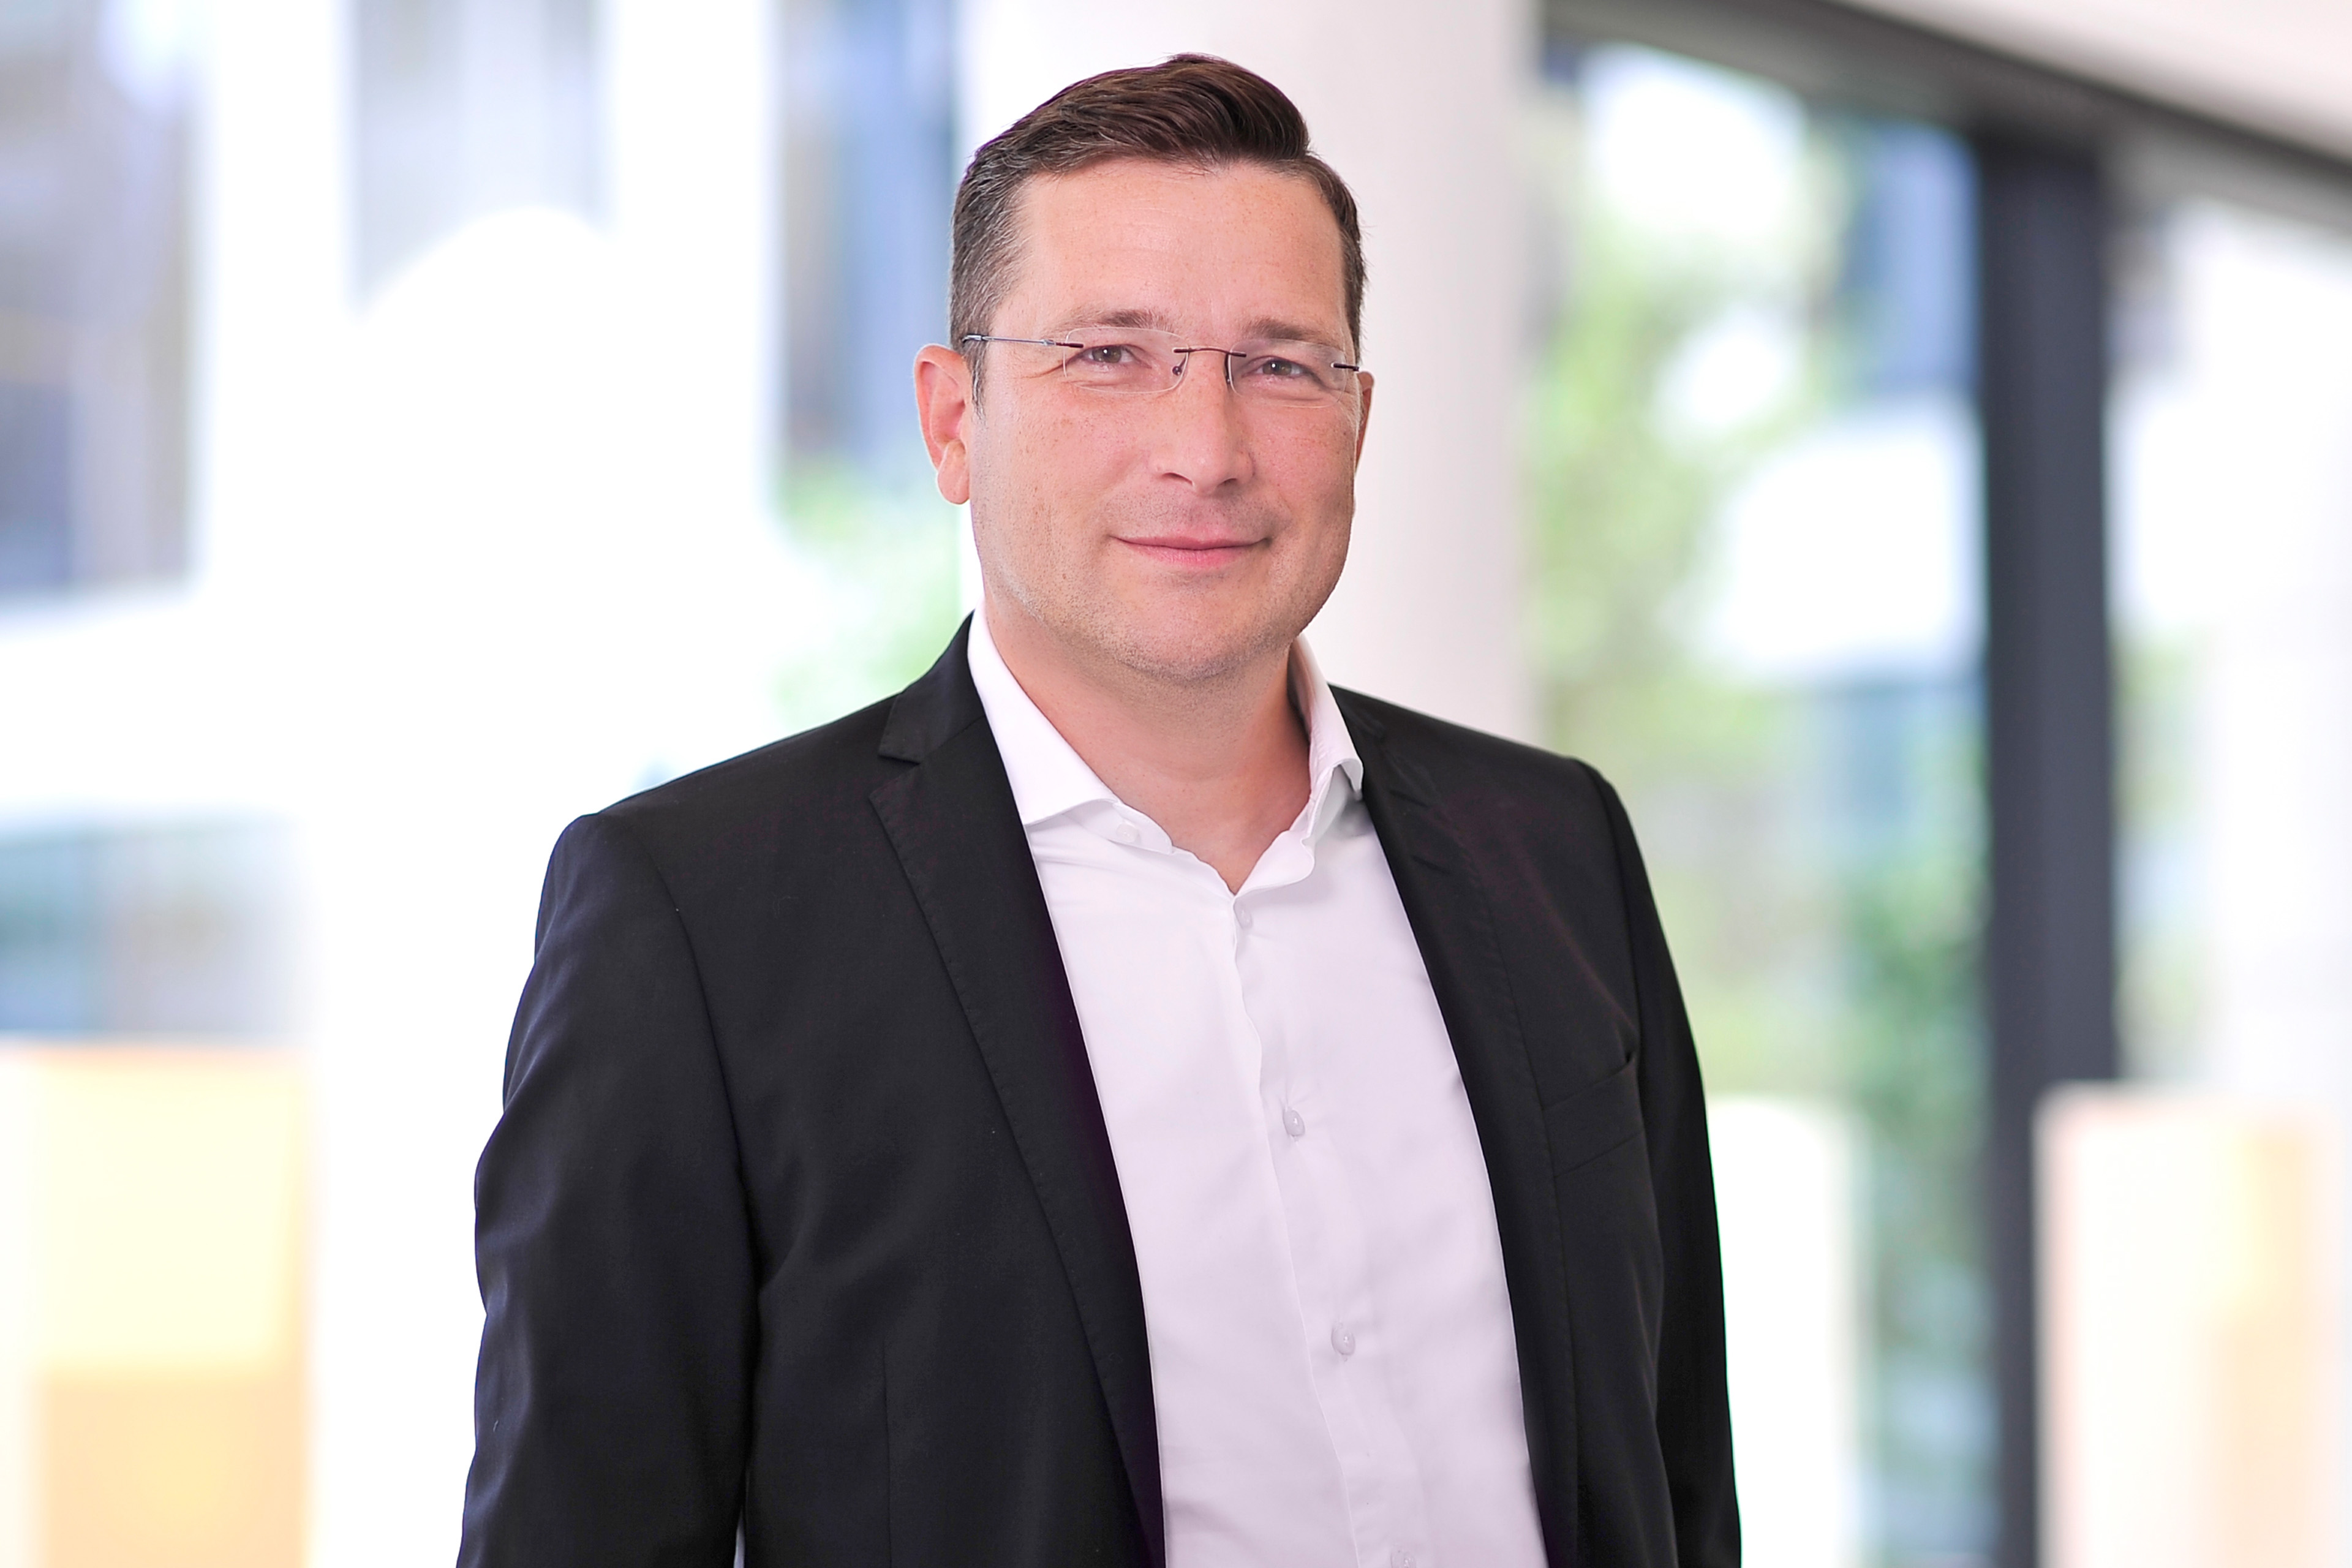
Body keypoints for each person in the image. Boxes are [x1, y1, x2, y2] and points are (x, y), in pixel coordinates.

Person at [459, 55, 1736, 1568]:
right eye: (1111, 354)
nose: (1206, 448)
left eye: (1281, 364)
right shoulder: (700, 921)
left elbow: (1677, 1471)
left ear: (1358, 419)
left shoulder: (1558, 848)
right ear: (954, 421)